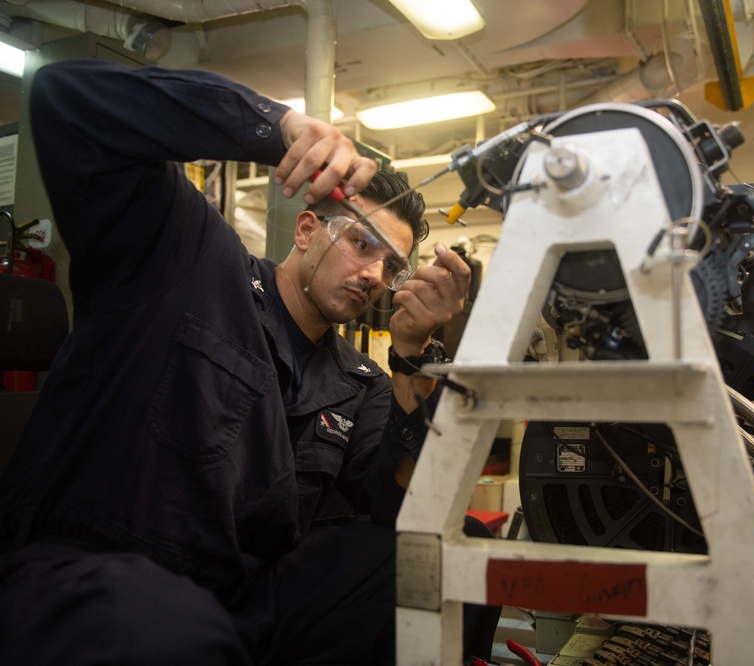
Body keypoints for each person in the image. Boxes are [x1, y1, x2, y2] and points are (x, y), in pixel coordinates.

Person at [0, 59, 494, 664]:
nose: (374, 275)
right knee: (167, 627)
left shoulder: (359, 382)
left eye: (392, 267)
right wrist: (276, 125)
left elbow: (403, 512)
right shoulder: (192, 263)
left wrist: (414, 354)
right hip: (102, 577)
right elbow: (68, 98)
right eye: (363, 245)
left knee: (456, 559)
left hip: (248, 600)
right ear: (308, 230)